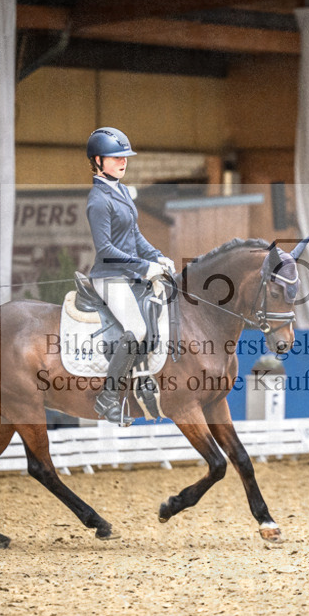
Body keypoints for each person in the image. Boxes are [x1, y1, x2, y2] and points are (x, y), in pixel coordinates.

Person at [84, 126, 174, 426]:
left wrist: (157, 256)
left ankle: (144, 381)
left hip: (130, 273)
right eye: (115, 157)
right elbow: (106, 249)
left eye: (125, 157)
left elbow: (134, 235)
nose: (123, 161)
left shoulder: (120, 190)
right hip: (109, 276)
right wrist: (143, 267)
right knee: (135, 329)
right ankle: (108, 398)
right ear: (97, 160)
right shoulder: (98, 200)